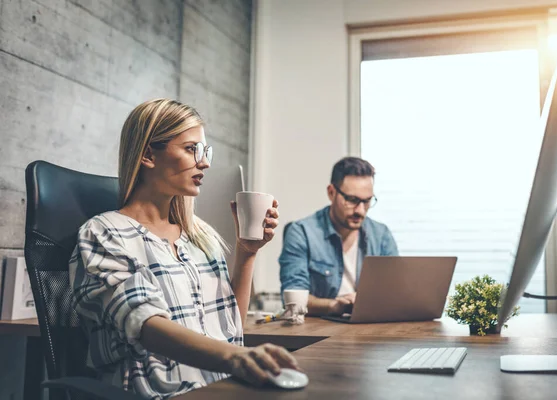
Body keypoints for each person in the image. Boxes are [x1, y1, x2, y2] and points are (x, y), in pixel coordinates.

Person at [69, 99, 299, 399]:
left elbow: (230, 328)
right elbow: (147, 325)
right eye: (192, 149)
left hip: (221, 388)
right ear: (149, 154)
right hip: (157, 392)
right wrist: (233, 357)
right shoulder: (105, 233)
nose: (204, 163)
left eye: (205, 152)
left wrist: (247, 252)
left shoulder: (200, 236)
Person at [279, 157, 398, 316]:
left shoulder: (381, 235)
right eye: (352, 200)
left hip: (370, 329)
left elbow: (395, 292)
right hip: (319, 329)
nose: (360, 211)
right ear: (331, 192)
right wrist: (334, 306)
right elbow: (293, 298)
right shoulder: (302, 233)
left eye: (367, 201)